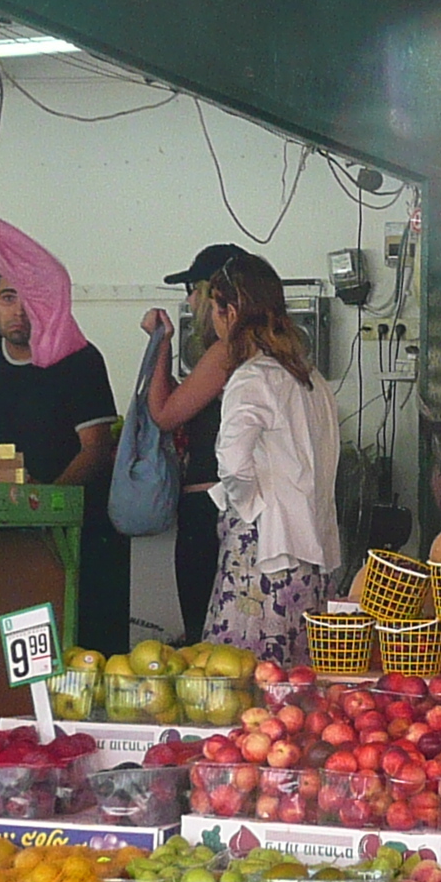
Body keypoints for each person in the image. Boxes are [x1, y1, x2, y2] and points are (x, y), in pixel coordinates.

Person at [149, 252, 337, 666]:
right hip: (313, 547)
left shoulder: (251, 375)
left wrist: (246, 506)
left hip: (264, 547)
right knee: (296, 671)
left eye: (216, 309)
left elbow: (232, 462)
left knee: (238, 670)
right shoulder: (311, 378)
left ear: (230, 312)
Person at [0, 268, 130, 655]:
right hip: (10, 530)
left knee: (84, 647)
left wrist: (45, 501)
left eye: (31, 298)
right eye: (7, 297)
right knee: (18, 641)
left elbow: (96, 449)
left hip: (83, 530)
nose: (19, 310)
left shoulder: (79, 358)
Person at [142, 243, 246, 642]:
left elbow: (165, 413)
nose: (187, 299)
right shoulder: (239, 351)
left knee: (205, 632)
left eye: (190, 287)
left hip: (209, 508)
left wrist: (161, 343)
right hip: (221, 507)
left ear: (213, 292)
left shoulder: (226, 351)